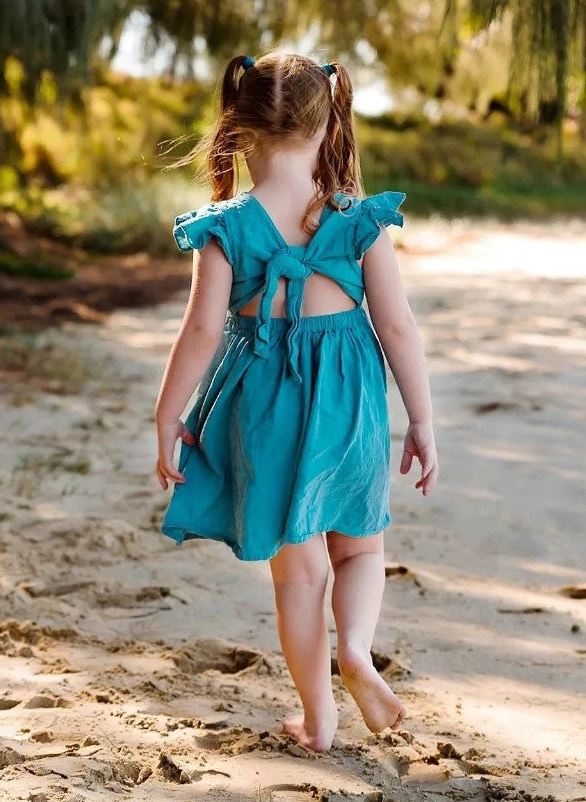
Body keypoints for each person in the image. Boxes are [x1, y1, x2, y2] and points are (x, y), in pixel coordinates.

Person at [154, 51, 439, 753]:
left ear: (239, 131)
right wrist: (423, 421)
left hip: (267, 406)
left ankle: (319, 719)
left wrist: (168, 414)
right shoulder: (357, 219)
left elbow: (200, 330)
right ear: (328, 125)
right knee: (361, 549)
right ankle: (359, 655)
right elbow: (397, 325)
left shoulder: (225, 226)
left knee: (301, 572)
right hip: (351, 400)